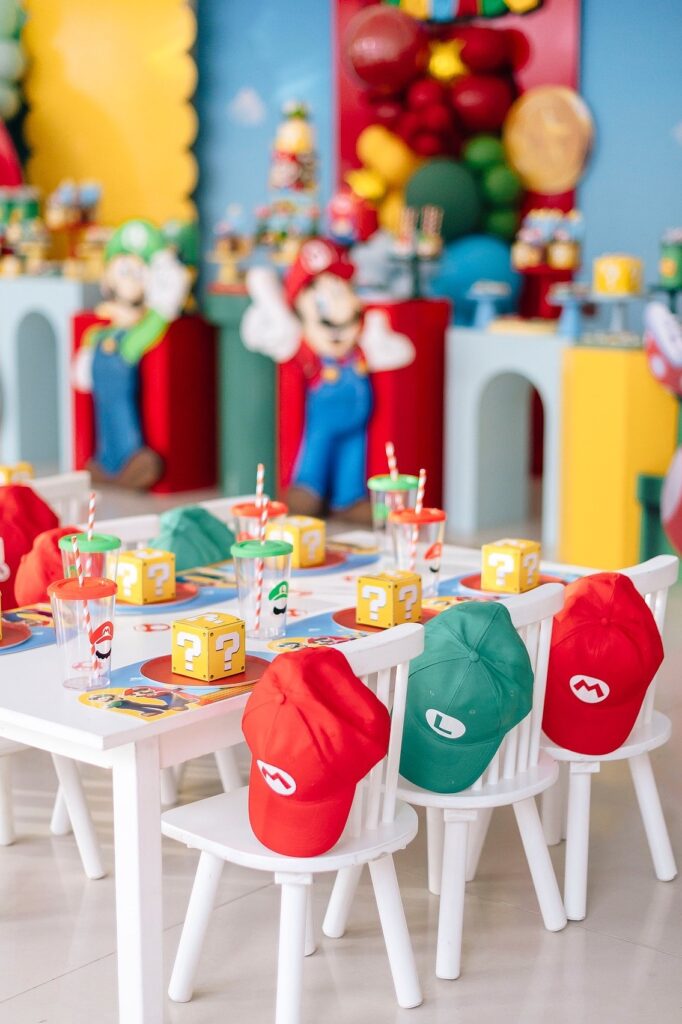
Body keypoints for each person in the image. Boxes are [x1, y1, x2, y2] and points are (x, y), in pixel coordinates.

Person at [241, 238, 414, 518]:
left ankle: (349, 499)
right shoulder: (308, 353)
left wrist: (379, 331)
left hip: (358, 423)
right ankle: (307, 490)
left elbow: (400, 353)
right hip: (323, 421)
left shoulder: (360, 349)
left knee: (353, 459)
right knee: (315, 452)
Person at [72, 219, 190, 489]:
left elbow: (167, 303)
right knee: (107, 423)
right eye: (124, 269)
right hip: (103, 419)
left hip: (128, 422)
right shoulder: (99, 333)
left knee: (124, 425)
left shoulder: (138, 333)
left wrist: (162, 257)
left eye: (139, 271)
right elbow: (81, 375)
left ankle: (131, 464)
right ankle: (106, 466)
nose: (129, 278)